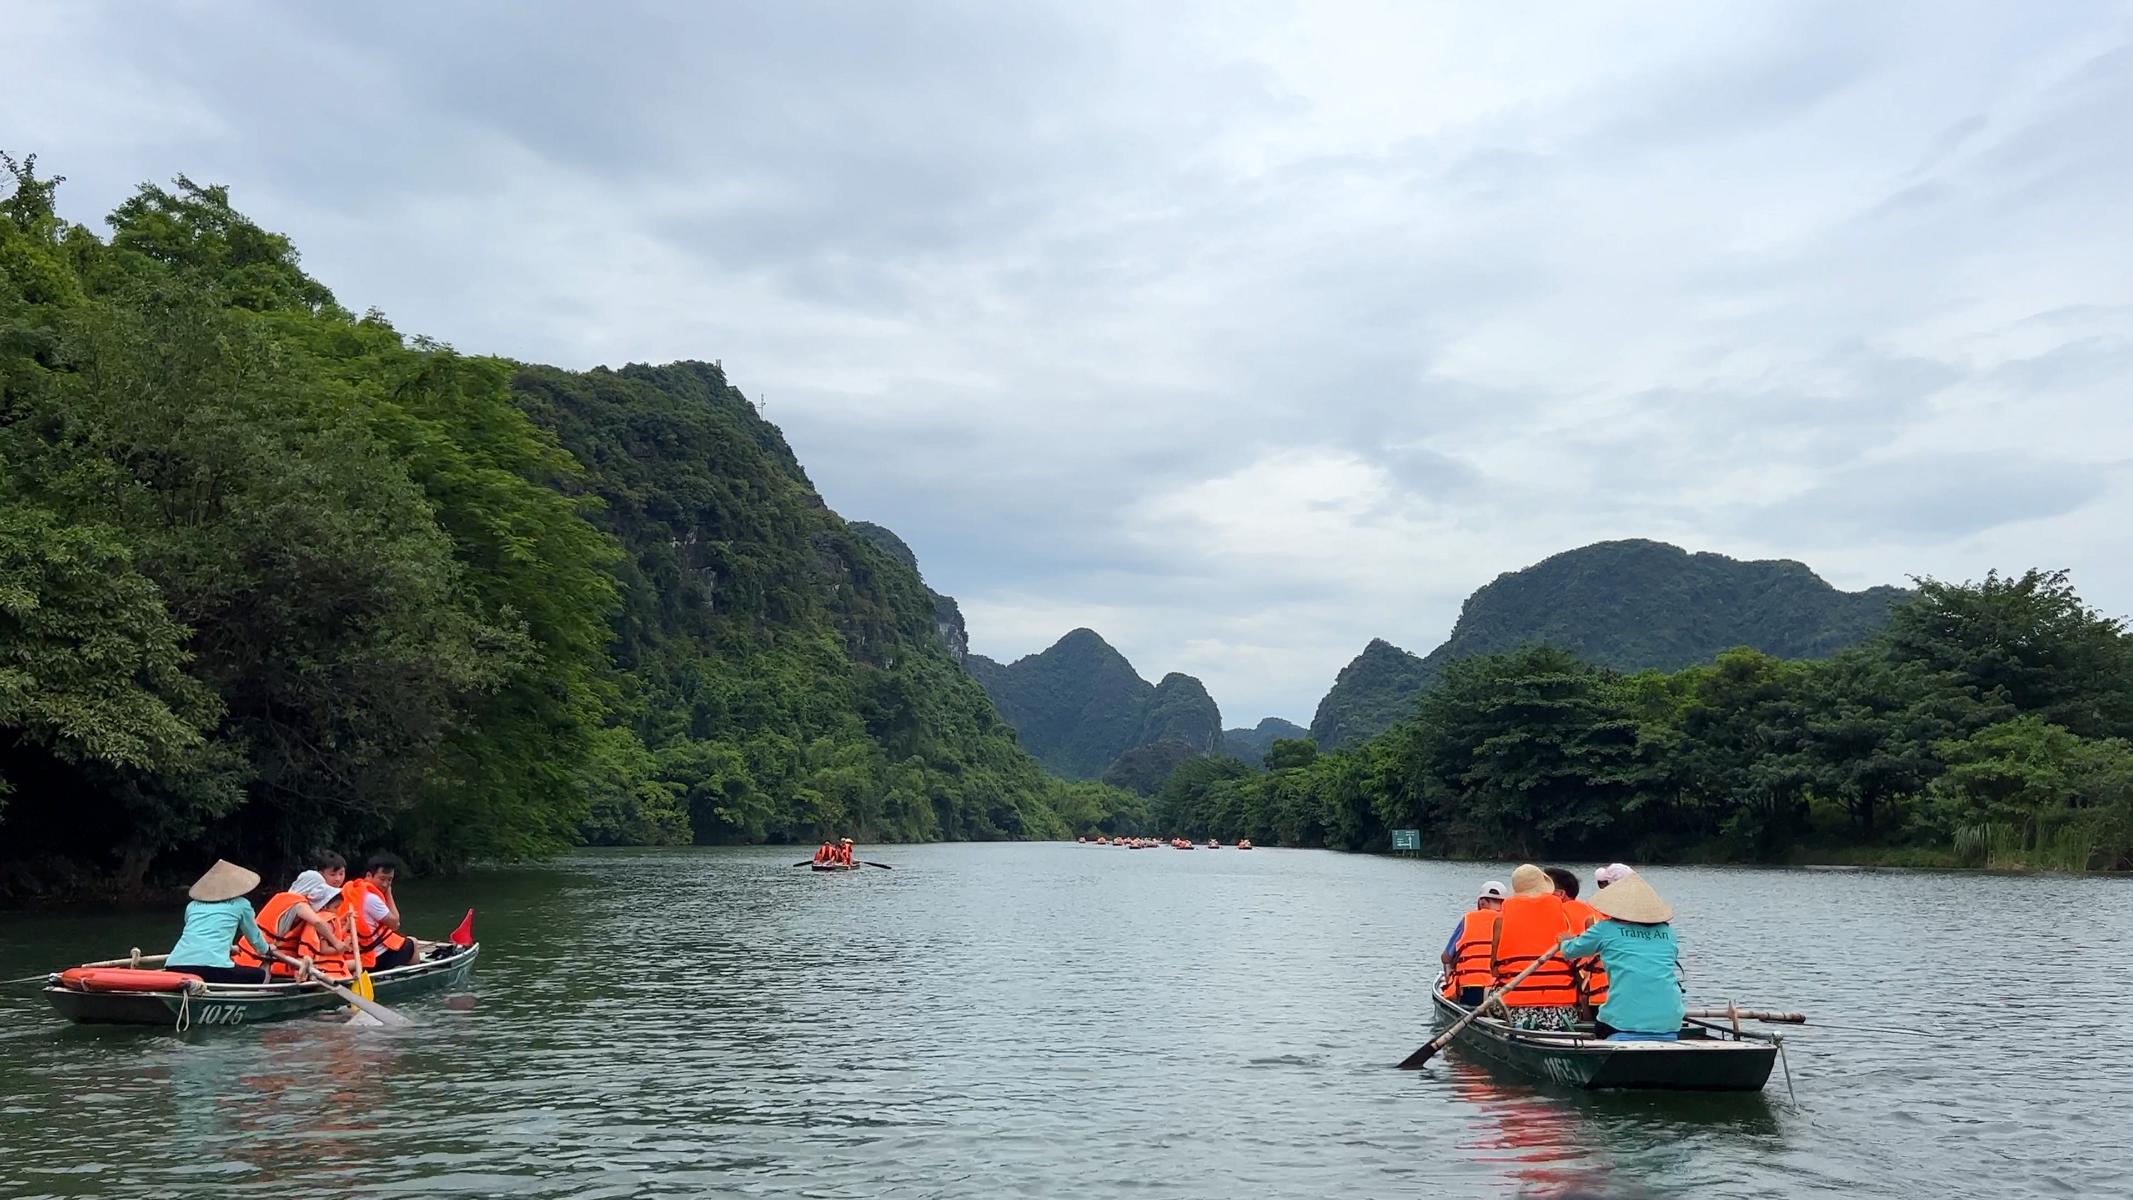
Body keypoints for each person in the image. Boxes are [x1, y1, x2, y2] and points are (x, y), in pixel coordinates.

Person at [1556, 872, 1685, 1040]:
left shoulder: (1605, 929)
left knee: (1600, 1025)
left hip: (1620, 1021)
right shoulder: (1668, 933)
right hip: (1670, 1020)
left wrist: (1564, 940)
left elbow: (1569, 951)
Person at [1488, 864, 1581, 1030]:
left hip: (1514, 1007)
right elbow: (1575, 959)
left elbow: (1494, 969)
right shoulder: (1562, 912)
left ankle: (1523, 1025)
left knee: (1488, 991)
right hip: (1562, 1008)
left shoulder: (1501, 920)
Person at [231, 857, 354, 978]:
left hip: (251, 954)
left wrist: (342, 921)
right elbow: (318, 922)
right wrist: (336, 943)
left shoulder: (282, 897)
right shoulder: (298, 903)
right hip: (262, 959)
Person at [166, 860, 273, 984]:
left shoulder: (192, 905)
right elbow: (255, 939)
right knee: (259, 974)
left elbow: (199, 935)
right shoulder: (241, 904)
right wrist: (267, 951)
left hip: (175, 965)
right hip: (213, 968)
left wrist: (229, 948)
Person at [1544, 866, 1610, 1012]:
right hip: (1602, 991)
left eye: (1543, 889)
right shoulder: (1593, 912)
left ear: (1560, 894)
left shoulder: (1558, 915)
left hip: (1579, 992)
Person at [1439, 880, 1506, 1005]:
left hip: (1471, 988)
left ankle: (1451, 992)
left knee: (1448, 963)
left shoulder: (1469, 919)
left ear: (1482, 902)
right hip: (1501, 989)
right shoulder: (1508, 920)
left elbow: (1446, 957)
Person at [343, 854, 414, 972]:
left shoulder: (353, 889)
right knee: (413, 943)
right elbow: (395, 924)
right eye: (382, 879)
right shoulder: (371, 898)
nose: (385, 884)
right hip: (372, 958)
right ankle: (414, 978)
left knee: (401, 942)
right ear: (369, 875)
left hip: (352, 953)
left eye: (389, 880)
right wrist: (389, 894)